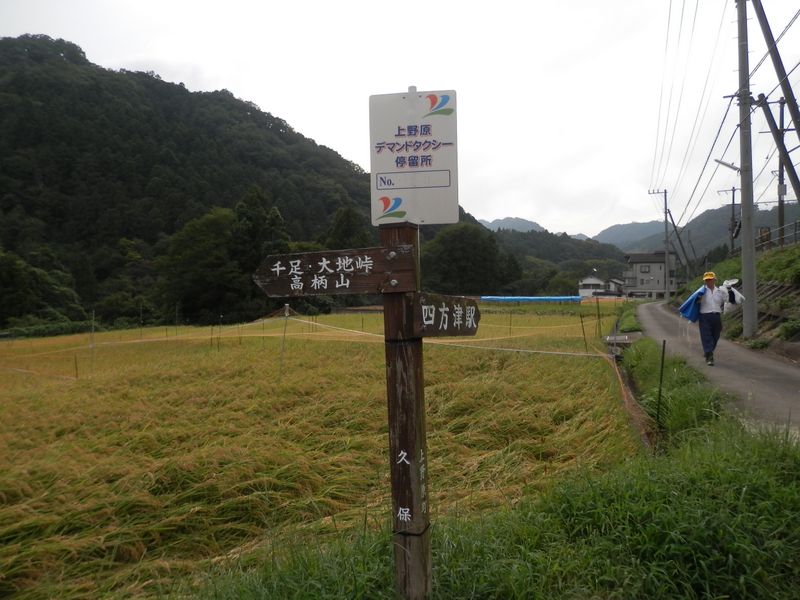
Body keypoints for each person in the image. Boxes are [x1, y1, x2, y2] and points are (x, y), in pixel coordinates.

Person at [678, 271, 737, 366]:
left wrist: (730, 289)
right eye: (707, 280)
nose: (708, 281)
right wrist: (698, 298)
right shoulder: (701, 292)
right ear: (705, 281)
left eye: (710, 279)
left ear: (714, 280)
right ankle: (709, 356)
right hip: (704, 316)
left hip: (716, 316)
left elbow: (731, 300)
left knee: (716, 336)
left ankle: (708, 351)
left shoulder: (720, 292)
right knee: (706, 336)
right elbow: (694, 302)